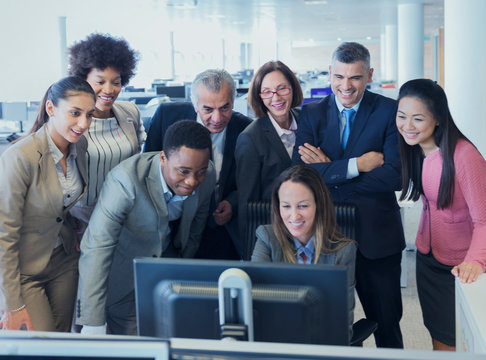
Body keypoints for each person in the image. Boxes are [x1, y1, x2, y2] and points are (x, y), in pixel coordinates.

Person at [292, 42, 405, 348]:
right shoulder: (311, 114)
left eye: (355, 77)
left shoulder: (388, 111)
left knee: (387, 326)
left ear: (369, 75)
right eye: (339, 76)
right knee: (328, 327)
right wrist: (357, 165)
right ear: (330, 73)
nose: (346, 86)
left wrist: (331, 172)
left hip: (377, 239)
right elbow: (301, 175)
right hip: (325, 238)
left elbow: (394, 176)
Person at [75, 120, 216, 335]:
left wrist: (184, 267)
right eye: (183, 171)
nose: (192, 181)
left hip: (169, 276)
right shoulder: (125, 181)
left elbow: (197, 225)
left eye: (200, 172)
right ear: (162, 158)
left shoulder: (208, 174)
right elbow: (97, 247)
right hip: (124, 278)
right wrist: (92, 321)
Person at [396, 78, 486, 351]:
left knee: (456, 342)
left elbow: (483, 220)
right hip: (428, 259)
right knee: (438, 336)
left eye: (418, 118)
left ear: (437, 119)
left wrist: (475, 262)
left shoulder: (464, 155)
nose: (407, 126)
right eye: (402, 116)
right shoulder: (417, 151)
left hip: (460, 267)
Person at [0, 76, 95, 332]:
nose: (83, 123)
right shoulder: (21, 157)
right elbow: (3, 234)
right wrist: (11, 303)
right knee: (39, 343)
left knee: (61, 341)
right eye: (75, 113)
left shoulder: (80, 146)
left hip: (63, 261)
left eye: (89, 114)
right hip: (25, 271)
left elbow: (60, 204)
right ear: (51, 108)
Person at [144, 69, 251, 260]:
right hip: (170, 222)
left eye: (225, 108)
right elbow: (147, 169)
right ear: (195, 105)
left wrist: (232, 202)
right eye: (208, 109)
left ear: (234, 102)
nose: (217, 119)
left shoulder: (245, 128)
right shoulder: (166, 117)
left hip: (218, 225)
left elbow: (248, 179)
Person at [251, 165, 356, 335]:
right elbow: (256, 305)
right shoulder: (266, 238)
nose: (294, 216)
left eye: (303, 206)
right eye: (286, 206)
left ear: (319, 205)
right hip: (275, 341)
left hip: (319, 343)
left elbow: (343, 324)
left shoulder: (343, 251)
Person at [68, 33, 145, 232]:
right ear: (83, 79)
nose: (109, 90)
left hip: (126, 215)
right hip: (83, 219)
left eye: (116, 82)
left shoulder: (130, 112)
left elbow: (138, 163)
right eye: (100, 81)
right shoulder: (71, 122)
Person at [235, 60, 303, 259]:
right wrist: (253, 254)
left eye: (282, 88)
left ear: (293, 89)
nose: (276, 97)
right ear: (258, 96)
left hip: (312, 230)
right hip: (275, 236)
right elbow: (248, 206)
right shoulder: (250, 139)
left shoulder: (308, 121)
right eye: (267, 92)